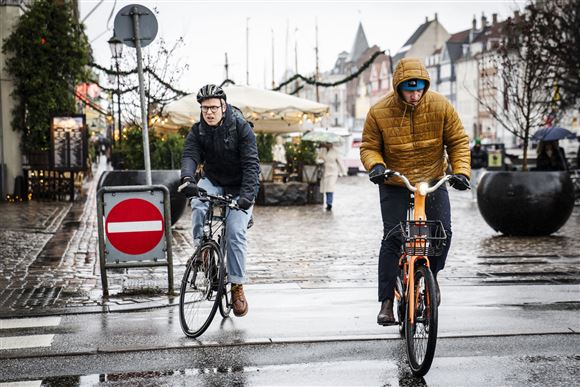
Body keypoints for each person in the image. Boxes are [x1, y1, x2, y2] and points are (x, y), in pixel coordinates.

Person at [360, 57, 471, 326]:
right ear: (398, 87)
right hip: (395, 181)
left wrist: (461, 172)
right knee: (393, 237)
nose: (415, 94)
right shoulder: (379, 112)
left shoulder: (441, 106)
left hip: (432, 178)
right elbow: (369, 146)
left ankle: (430, 277)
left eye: (419, 88)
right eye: (409, 89)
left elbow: (457, 141)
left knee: (442, 231)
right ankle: (387, 301)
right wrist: (376, 166)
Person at [180, 84, 260, 317]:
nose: (209, 112)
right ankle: (202, 252)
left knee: (235, 231)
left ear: (224, 107)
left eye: (214, 107)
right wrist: (187, 178)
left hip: (240, 186)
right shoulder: (199, 130)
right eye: (205, 108)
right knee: (197, 202)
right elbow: (190, 155)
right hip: (213, 180)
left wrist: (246, 197)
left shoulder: (241, 128)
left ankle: (236, 286)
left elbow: (251, 166)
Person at [317, 142, 346, 211]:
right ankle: (327, 202)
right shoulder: (322, 150)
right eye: (327, 143)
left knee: (330, 187)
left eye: (329, 143)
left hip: (333, 172)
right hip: (324, 171)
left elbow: (340, 161)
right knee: (326, 188)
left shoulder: (335, 151)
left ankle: (329, 203)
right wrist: (320, 160)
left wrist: (343, 172)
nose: (328, 145)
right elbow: (317, 159)